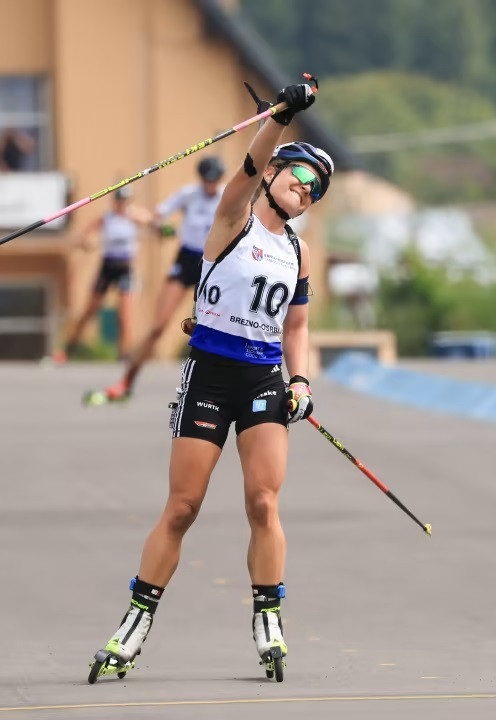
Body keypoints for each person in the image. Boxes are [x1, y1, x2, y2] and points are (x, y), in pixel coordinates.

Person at [87, 80, 325, 684]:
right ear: (275, 173)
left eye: (314, 192)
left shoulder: (295, 252)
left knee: (263, 501)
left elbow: (296, 326)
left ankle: (268, 615)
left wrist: (300, 380)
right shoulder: (231, 221)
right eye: (298, 178)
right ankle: (135, 623)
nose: (304, 193)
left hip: (264, 374)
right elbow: (245, 167)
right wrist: (282, 114)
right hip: (210, 373)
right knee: (183, 507)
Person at [81, 156, 226, 406]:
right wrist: (155, 224)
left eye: (215, 180)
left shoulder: (227, 195)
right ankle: (125, 382)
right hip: (187, 259)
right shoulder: (189, 194)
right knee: (158, 326)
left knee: (218, 327)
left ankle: (221, 389)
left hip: (216, 264)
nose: (211, 186)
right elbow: (157, 215)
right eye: (207, 180)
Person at [52, 186, 155, 363]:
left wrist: (148, 220)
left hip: (125, 267)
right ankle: (69, 348)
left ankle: (124, 353)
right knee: (90, 310)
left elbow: (152, 222)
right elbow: (83, 235)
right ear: (114, 202)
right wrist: (86, 243)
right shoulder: (107, 218)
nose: (122, 205)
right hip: (108, 266)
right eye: (119, 202)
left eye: (125, 202)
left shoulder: (134, 217)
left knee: (125, 313)